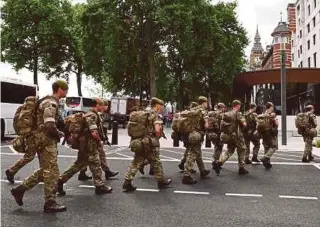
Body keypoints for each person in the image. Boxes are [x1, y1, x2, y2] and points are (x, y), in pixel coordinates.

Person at [10, 80, 68, 213]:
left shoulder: (47, 101)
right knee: (50, 171)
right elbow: (49, 125)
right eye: (65, 89)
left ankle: (20, 190)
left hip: (42, 140)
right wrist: (60, 134)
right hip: (45, 141)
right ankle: (50, 202)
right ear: (60, 89)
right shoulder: (50, 103)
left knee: (47, 170)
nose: (66, 92)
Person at [57, 98, 113, 196]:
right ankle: (99, 186)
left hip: (85, 145)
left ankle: (60, 180)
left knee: (78, 165)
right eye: (101, 104)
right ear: (97, 105)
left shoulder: (90, 114)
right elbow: (93, 132)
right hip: (89, 145)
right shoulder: (92, 115)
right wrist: (99, 141)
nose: (103, 106)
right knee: (96, 164)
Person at [123, 97, 172, 192]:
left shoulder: (143, 113)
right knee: (156, 161)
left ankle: (127, 182)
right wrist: (157, 136)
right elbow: (157, 130)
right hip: (149, 142)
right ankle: (161, 182)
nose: (162, 108)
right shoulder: (154, 115)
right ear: (157, 105)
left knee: (136, 162)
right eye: (161, 106)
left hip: (139, 141)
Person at [78, 99, 119, 180]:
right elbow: (94, 130)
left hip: (90, 140)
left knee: (86, 158)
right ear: (98, 105)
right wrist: (99, 139)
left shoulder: (95, 114)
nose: (105, 107)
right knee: (97, 157)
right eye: (103, 105)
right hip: (91, 140)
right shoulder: (93, 114)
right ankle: (103, 176)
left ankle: (83, 173)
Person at [213, 100, 249, 175]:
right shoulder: (238, 113)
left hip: (229, 135)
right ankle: (241, 168)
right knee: (242, 149)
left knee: (230, 150)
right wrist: (244, 123)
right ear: (238, 105)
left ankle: (219, 163)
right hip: (237, 136)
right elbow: (244, 124)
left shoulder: (227, 113)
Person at [182, 96, 210, 185]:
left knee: (198, 153)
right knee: (192, 154)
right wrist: (207, 125)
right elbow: (206, 125)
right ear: (204, 102)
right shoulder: (202, 111)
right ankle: (186, 176)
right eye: (206, 103)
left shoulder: (193, 109)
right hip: (197, 135)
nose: (207, 104)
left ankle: (203, 170)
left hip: (190, 135)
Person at [260, 102, 278, 169]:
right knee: (273, 146)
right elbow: (277, 123)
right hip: (270, 133)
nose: (273, 108)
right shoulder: (272, 114)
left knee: (266, 147)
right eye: (272, 107)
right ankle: (266, 158)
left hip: (263, 133)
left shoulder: (263, 114)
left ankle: (267, 163)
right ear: (270, 107)